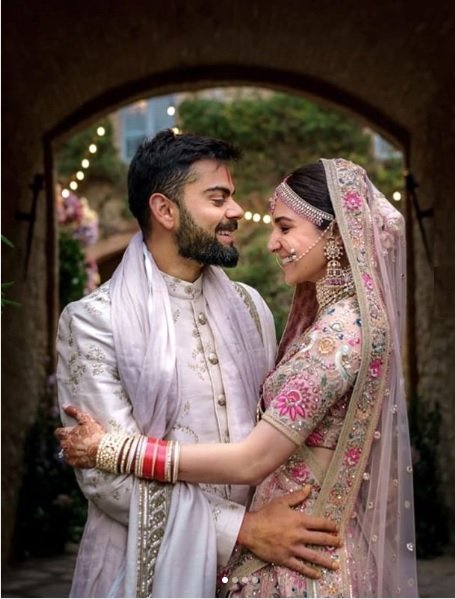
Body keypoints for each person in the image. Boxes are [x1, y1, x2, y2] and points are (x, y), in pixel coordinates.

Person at [58, 157, 418, 597]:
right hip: (154, 570)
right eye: (218, 198)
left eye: (284, 227)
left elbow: (256, 457)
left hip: (280, 562)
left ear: (336, 234)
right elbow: (107, 485)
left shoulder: (255, 310)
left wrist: (113, 448)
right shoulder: (94, 320)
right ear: (165, 210)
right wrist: (243, 530)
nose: (236, 212)